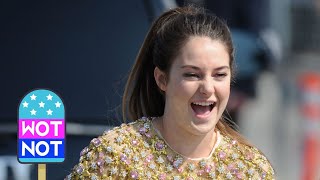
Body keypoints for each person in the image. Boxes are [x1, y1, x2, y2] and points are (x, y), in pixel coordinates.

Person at [66, 6, 274, 179]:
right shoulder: (115, 155)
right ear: (162, 79)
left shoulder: (251, 169)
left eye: (219, 75)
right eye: (192, 75)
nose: (208, 88)